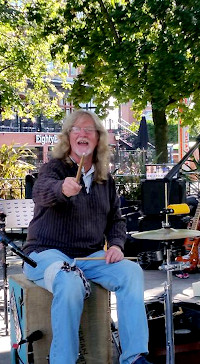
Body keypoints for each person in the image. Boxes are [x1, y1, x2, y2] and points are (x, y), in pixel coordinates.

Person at [23, 110, 152, 364]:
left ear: (98, 138)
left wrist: (116, 244)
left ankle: (134, 356)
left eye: (88, 130)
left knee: (131, 273)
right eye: (76, 129)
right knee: (69, 282)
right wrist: (62, 188)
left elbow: (116, 219)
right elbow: (40, 192)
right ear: (68, 137)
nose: (82, 133)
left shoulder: (106, 179)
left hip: (88, 257)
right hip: (45, 254)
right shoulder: (55, 168)